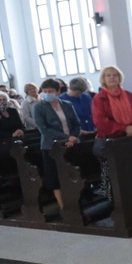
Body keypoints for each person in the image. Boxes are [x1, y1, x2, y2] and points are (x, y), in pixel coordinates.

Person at [92, 66, 132, 200]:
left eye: (115, 75)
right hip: (110, 140)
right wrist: (123, 128)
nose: (112, 78)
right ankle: (113, 201)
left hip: (129, 137)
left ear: (119, 77)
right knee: (112, 174)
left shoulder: (127, 94)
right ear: (103, 79)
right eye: (108, 75)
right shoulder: (100, 98)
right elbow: (101, 121)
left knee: (131, 171)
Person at [33, 79, 80, 209]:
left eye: (51, 91)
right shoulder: (39, 107)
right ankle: (63, 207)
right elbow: (44, 129)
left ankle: (76, 203)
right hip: (51, 147)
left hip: (71, 144)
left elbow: (76, 124)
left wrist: (73, 137)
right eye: (45, 91)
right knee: (55, 178)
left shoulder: (67, 104)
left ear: (58, 92)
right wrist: (66, 137)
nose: (47, 94)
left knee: (72, 174)